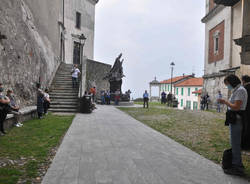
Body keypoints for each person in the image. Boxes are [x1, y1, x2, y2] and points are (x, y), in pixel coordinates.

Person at [218, 74, 248, 176]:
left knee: (235, 144)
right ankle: (236, 164)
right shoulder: (237, 90)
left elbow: (236, 106)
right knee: (234, 142)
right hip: (234, 119)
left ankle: (237, 166)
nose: (227, 87)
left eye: (227, 84)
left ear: (232, 82)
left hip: (237, 119)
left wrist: (225, 102)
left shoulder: (240, 90)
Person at [241, 75, 250, 150]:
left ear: (243, 81)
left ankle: (245, 145)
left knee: (245, 127)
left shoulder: (244, 89)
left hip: (246, 110)